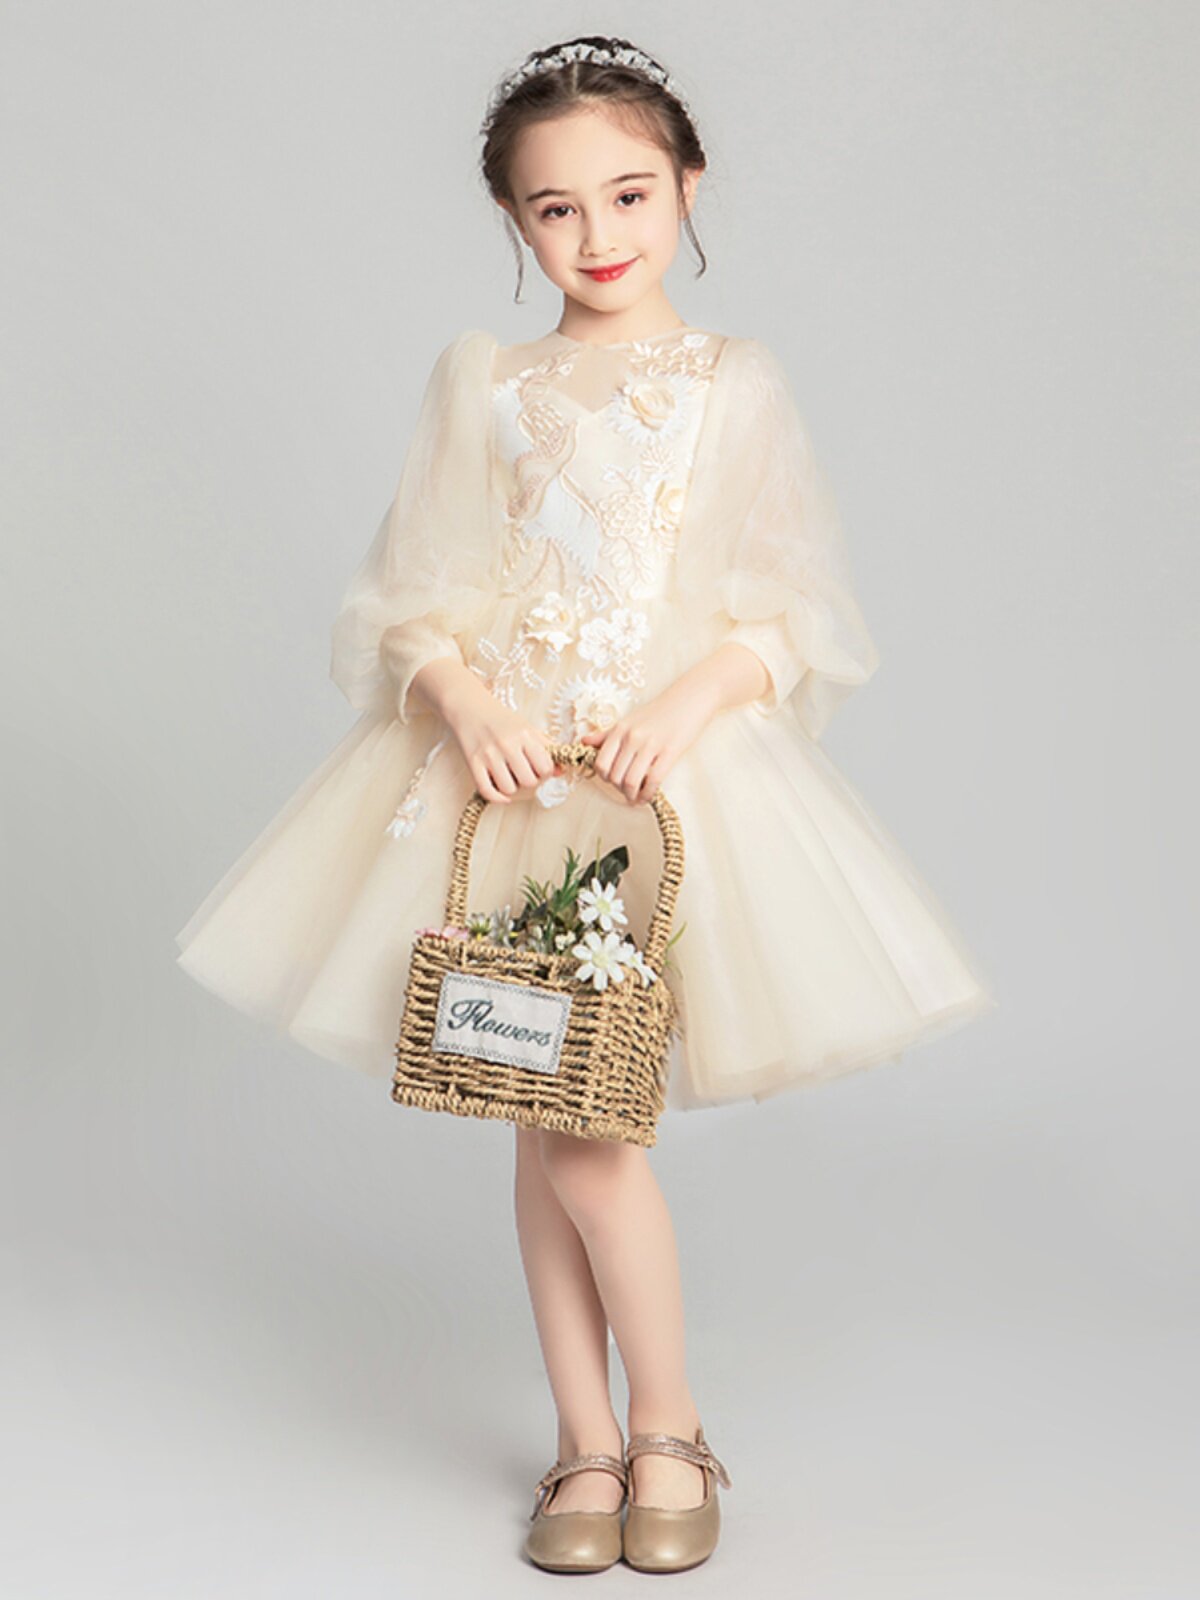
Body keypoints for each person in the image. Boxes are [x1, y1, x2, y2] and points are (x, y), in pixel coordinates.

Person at [175, 33, 998, 1574]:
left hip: (653, 795)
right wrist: (463, 697)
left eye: (629, 194)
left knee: (586, 1134)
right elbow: (404, 599)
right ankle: (588, 1440)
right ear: (512, 220)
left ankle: (666, 1427)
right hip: (503, 787)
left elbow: (799, 610)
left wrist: (690, 701)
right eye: (555, 208)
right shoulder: (483, 384)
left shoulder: (734, 384)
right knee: (537, 1113)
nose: (599, 233)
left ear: (689, 185)